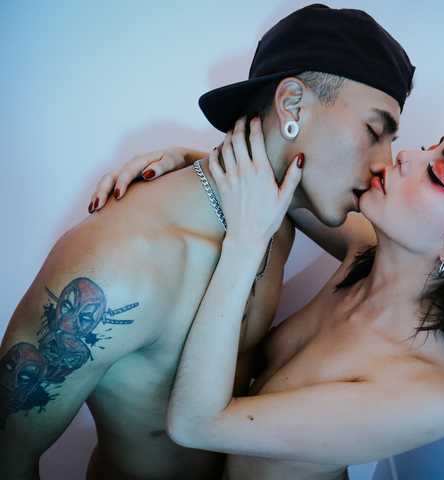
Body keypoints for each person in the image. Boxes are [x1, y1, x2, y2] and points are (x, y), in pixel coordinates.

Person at [0, 5, 414, 480]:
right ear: (293, 105)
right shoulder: (121, 263)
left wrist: (199, 157)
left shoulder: (276, 212)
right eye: (374, 131)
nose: (385, 163)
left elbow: (393, 254)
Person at [95, 116, 444, 480]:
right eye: (429, 147)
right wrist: (191, 163)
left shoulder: (427, 394)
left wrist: (245, 244)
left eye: (435, 174)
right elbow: (278, 188)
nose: (406, 157)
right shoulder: (366, 252)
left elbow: (195, 425)